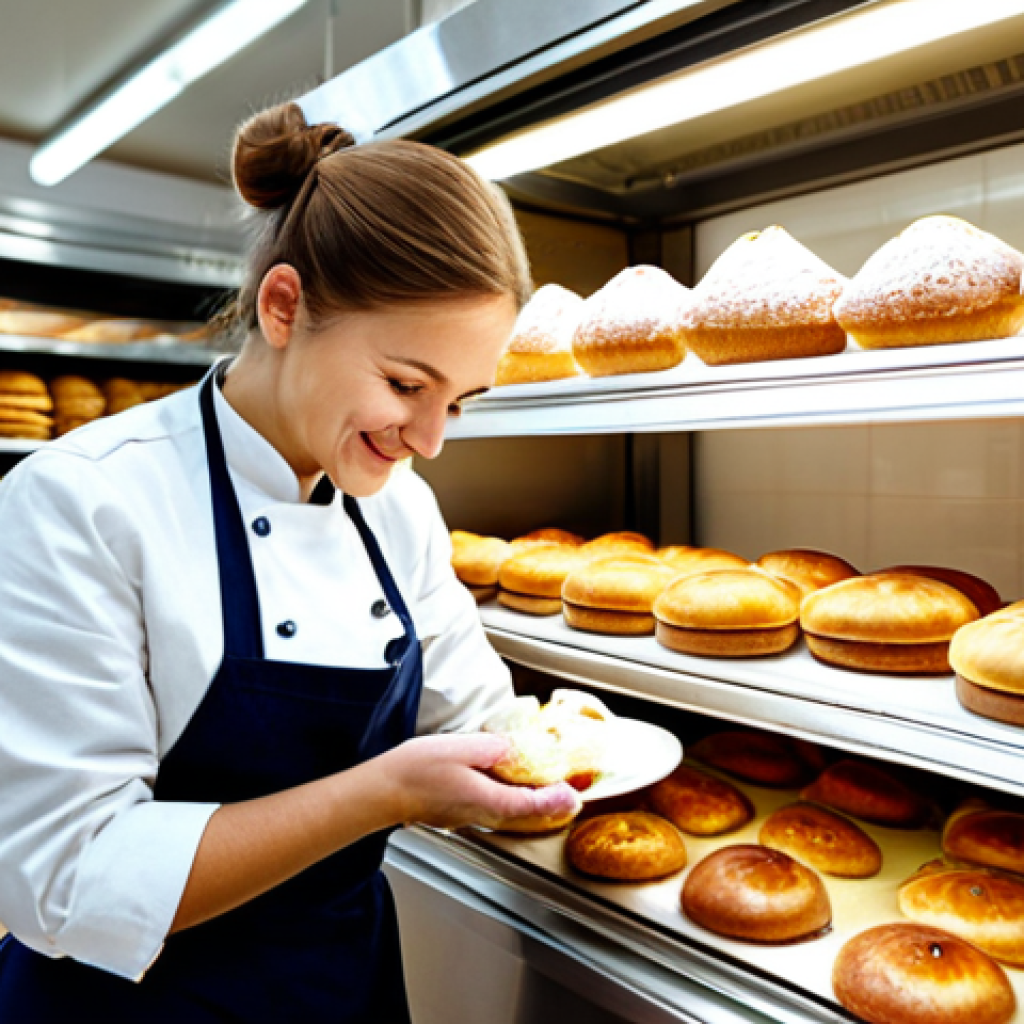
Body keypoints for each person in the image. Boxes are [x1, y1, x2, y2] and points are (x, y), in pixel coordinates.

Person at [0, 102, 579, 1023]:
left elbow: (484, 720)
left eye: (461, 402)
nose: (430, 440)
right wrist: (380, 792)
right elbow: (68, 879)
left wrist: (571, 748)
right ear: (283, 308)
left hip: (339, 988)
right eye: (405, 385)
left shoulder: (401, 513)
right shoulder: (84, 500)